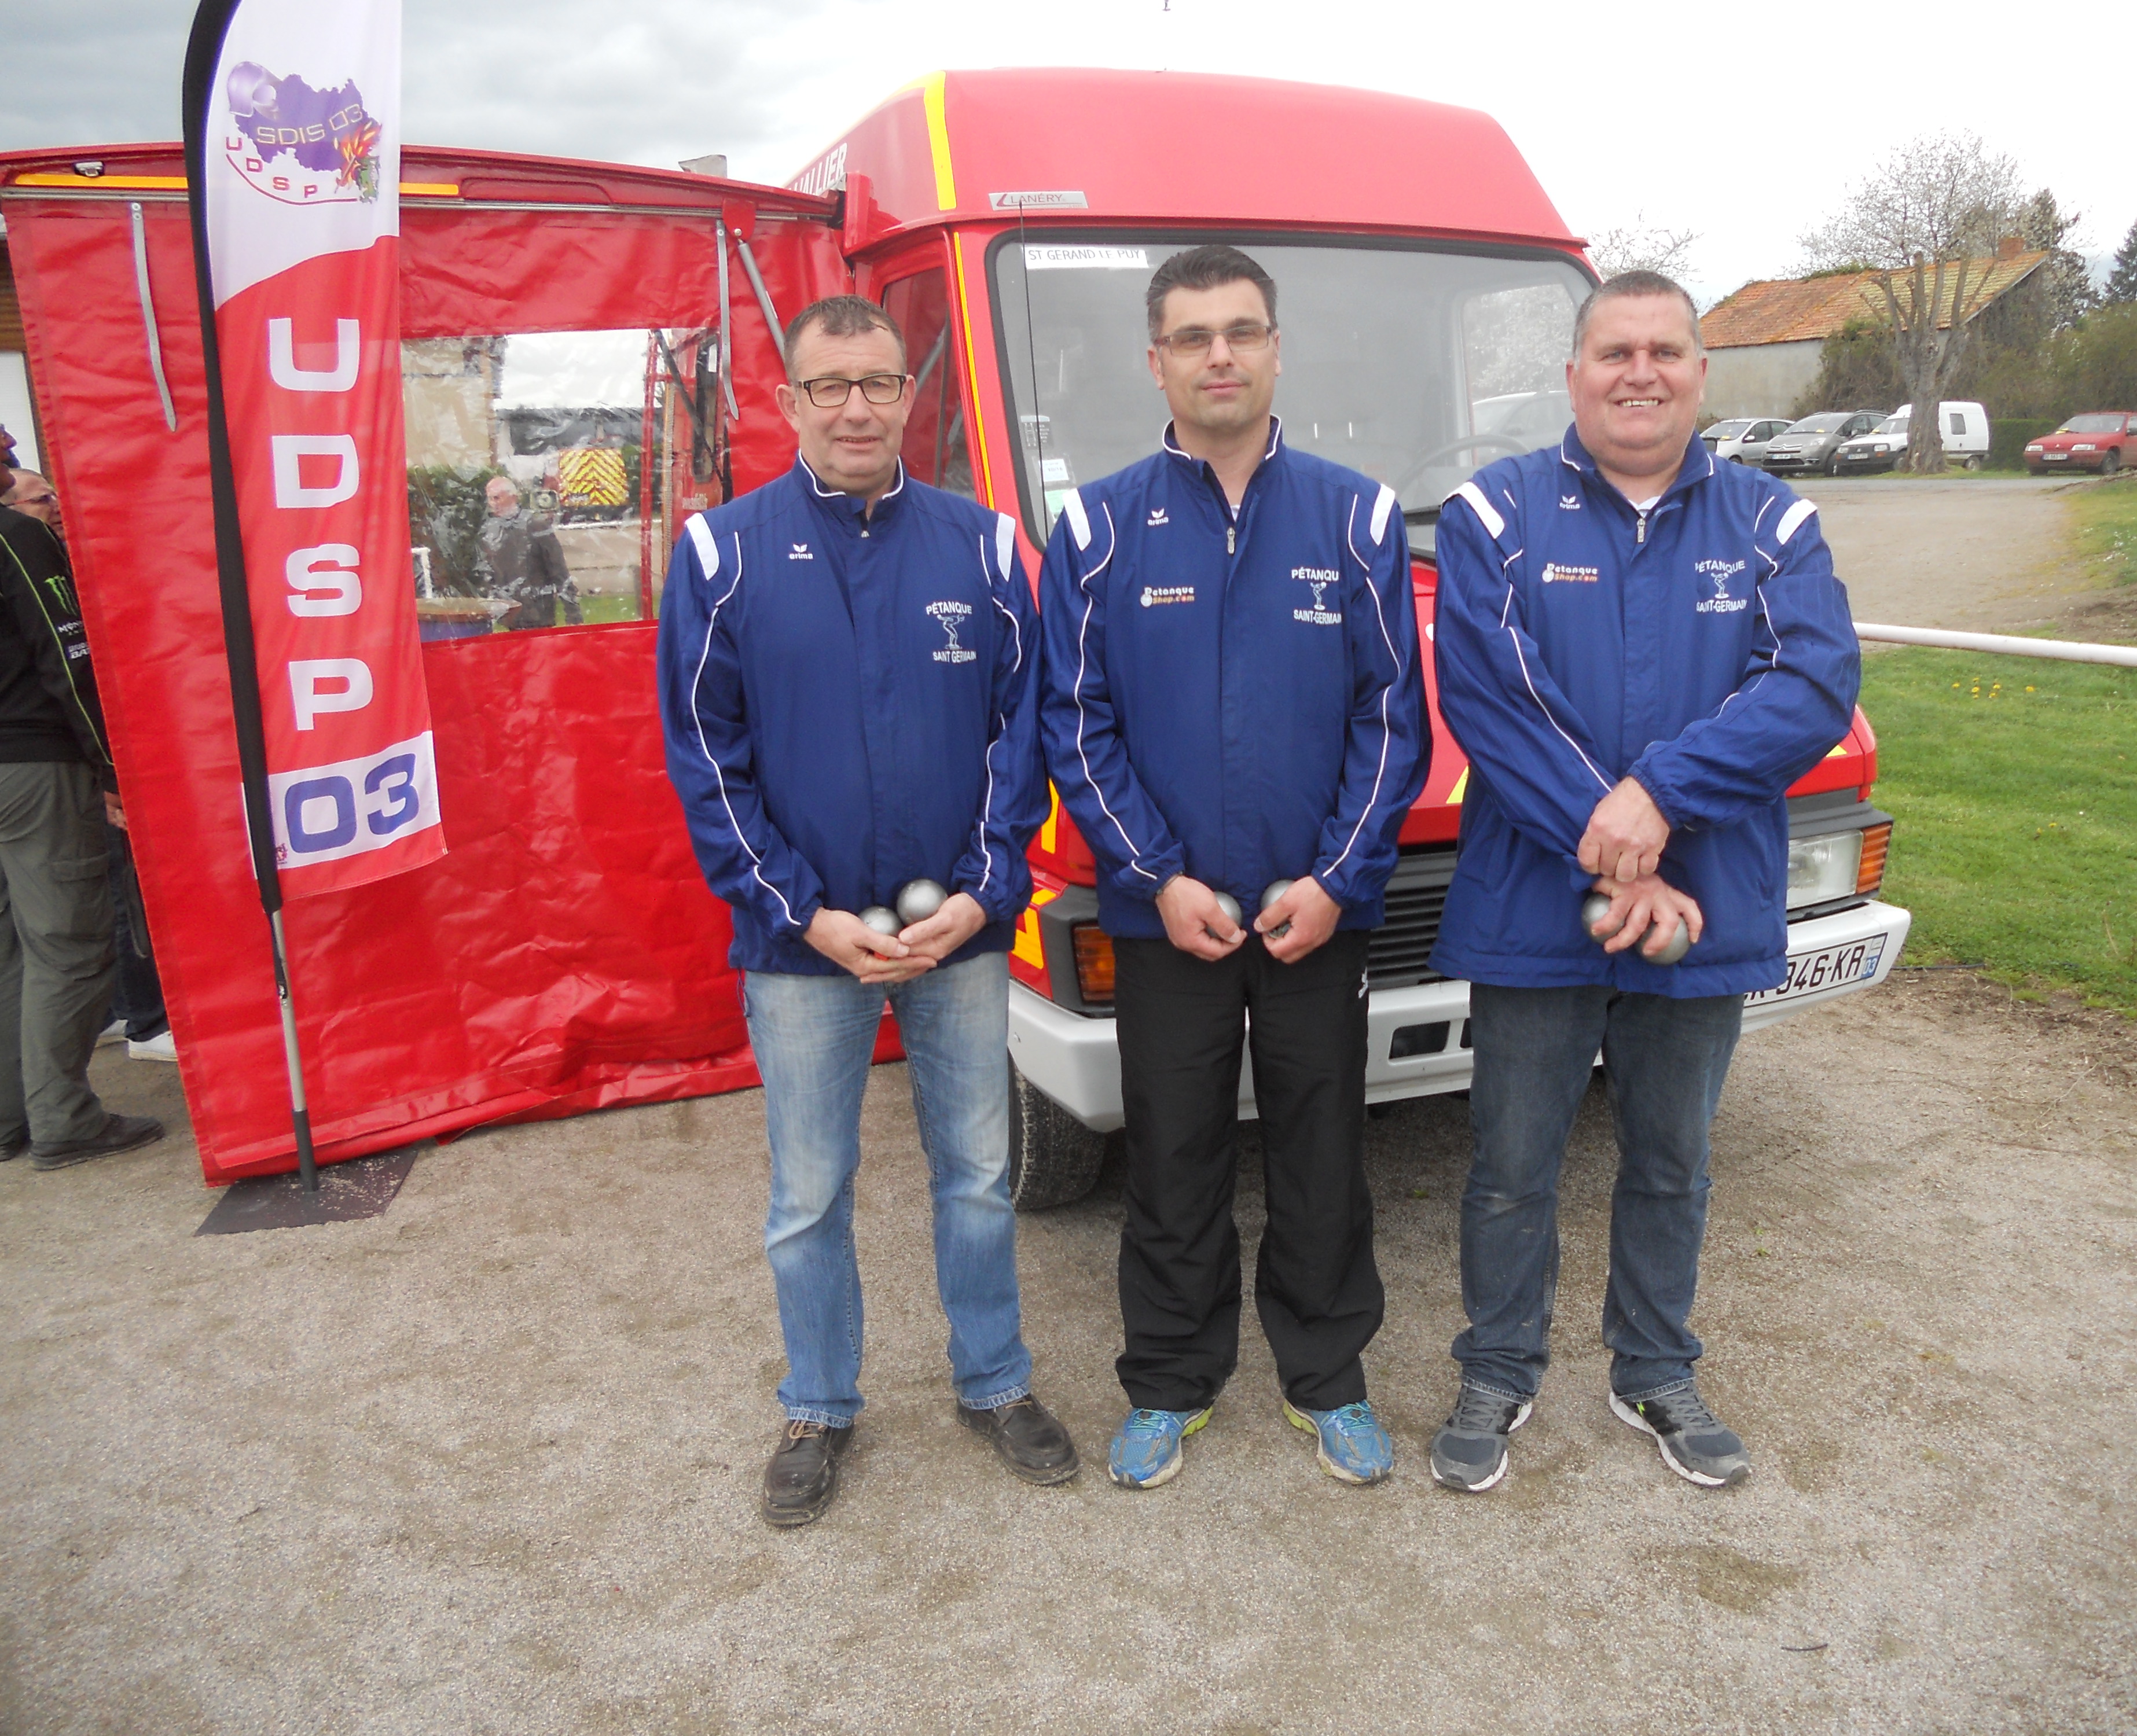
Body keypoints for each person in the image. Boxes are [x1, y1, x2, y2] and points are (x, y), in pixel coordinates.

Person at [1425, 270, 1860, 1494]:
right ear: (1571, 375)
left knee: (1671, 1157)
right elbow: (1487, 699)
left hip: (1700, 905)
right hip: (1533, 902)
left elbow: (1810, 686)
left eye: (1664, 351)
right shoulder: (1491, 515)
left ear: (1699, 375)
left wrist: (1658, 798)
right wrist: (1608, 828)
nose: (1639, 372)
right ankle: (1497, 1367)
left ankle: (1653, 1368)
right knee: (1512, 1163)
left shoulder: (1775, 524)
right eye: (1613, 350)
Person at [656, 295, 1074, 1528]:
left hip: (958, 935)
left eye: (878, 384)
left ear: (910, 399)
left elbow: (1022, 734)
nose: (854, 407)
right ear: (785, 403)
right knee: (808, 1193)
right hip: (799, 948)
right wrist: (799, 912)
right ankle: (819, 1405)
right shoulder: (721, 553)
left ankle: (994, 1383)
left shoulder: (985, 548)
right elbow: (704, 755)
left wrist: (985, 891)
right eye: (828, 385)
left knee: (977, 1173)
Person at [1040, 245, 1429, 1491]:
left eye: (1241, 331)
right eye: (1194, 335)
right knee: (1172, 1151)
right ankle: (1169, 1380)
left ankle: (1328, 1378)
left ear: (1274, 349)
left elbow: (1391, 719)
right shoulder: (1096, 526)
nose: (1220, 354)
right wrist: (1155, 878)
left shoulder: (1354, 515)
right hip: (1171, 919)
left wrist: (1333, 878)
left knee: (1322, 1146)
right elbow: (1074, 719)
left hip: (1317, 913)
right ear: (1153, 360)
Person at [0, 498, 164, 1170]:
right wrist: (112, 764)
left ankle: (15, 1117)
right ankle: (63, 1118)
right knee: (68, 943)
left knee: (14, 948)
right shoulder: (19, 537)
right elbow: (67, 657)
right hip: (33, 765)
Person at [473, 476, 581, 630]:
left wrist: (573, 614)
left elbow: (559, 571)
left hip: (538, 613)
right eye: (490, 499)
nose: (493, 504)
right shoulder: (492, 530)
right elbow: (487, 572)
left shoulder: (536, 525)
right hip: (510, 614)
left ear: (514, 497)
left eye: (497, 498)